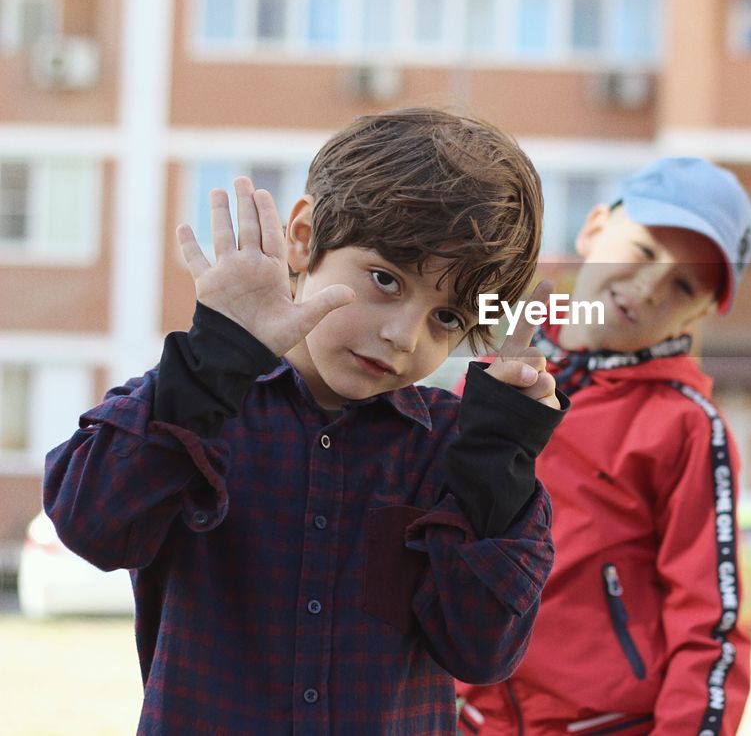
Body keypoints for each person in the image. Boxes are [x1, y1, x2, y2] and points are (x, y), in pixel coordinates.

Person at [43, 108, 568, 733]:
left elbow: (482, 651)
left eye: (446, 318)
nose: (403, 336)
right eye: (386, 279)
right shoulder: (196, 403)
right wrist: (213, 361)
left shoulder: (455, 448)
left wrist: (494, 467)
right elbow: (92, 525)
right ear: (302, 239)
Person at [457, 155, 751, 736]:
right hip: (467, 717)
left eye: (684, 285)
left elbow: (710, 627)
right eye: (644, 252)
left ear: (699, 314)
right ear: (595, 227)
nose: (648, 287)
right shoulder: (493, 362)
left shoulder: (687, 426)